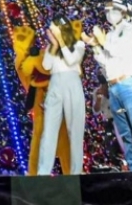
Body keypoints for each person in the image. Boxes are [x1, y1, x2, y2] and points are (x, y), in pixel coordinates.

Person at [83, 1, 132, 171]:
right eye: (107, 11)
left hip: (129, 83)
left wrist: (102, 41)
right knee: (125, 132)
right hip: (114, 87)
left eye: (113, 11)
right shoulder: (110, 35)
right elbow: (106, 61)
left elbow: (125, 52)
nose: (109, 14)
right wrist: (95, 46)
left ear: (123, 12)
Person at [37, 17, 86, 175]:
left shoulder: (79, 44)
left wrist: (61, 42)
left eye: (53, 29)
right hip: (55, 84)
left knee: (75, 130)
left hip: (72, 83)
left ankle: (76, 172)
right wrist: (54, 45)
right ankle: (43, 172)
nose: (50, 32)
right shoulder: (52, 46)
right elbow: (46, 66)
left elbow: (72, 60)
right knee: (49, 131)